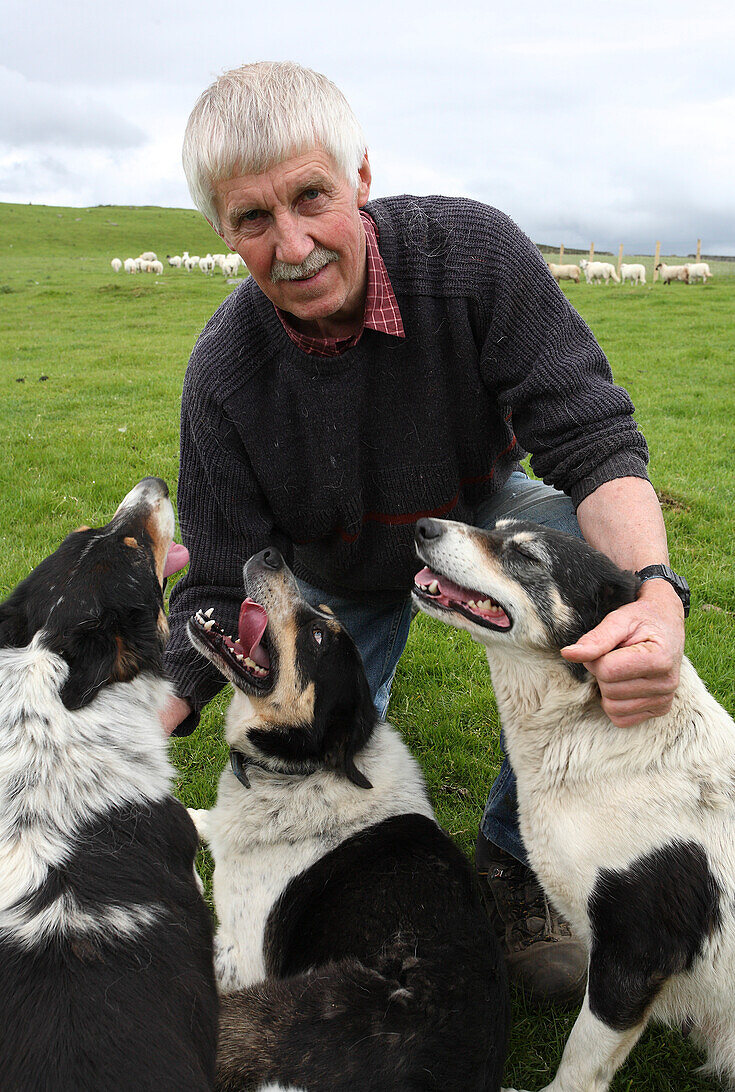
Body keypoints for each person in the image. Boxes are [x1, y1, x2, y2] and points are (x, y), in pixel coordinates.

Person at [163, 61, 687, 1005]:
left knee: (586, 560)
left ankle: (510, 856)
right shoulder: (224, 373)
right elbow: (213, 585)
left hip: (476, 517)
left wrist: (650, 591)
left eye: (311, 197)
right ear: (222, 230)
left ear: (358, 178)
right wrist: (131, 729)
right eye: (252, 220)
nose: (292, 245)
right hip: (328, 574)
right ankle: (308, 888)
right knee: (316, 749)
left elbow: (594, 439)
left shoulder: (471, 258)